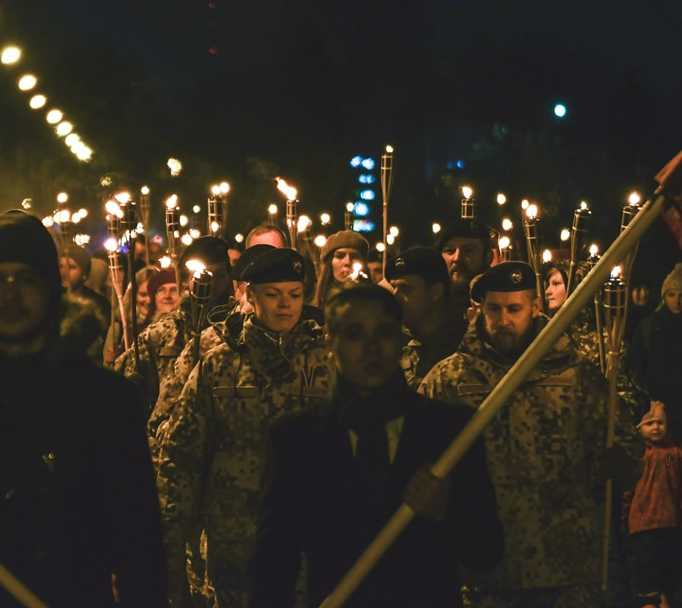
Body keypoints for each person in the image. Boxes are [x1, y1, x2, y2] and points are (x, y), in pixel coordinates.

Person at [0, 209, 167, 606]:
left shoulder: (104, 400)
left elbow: (139, 545)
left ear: (51, 288)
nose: (10, 294)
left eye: (26, 278)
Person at [249, 285, 504, 607]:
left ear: (400, 340)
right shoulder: (298, 439)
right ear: (330, 341)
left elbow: (487, 552)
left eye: (384, 333)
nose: (372, 348)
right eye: (354, 334)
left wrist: (444, 511)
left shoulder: (447, 431)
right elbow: (274, 562)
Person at [420, 261, 643, 606]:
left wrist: (617, 464)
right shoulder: (449, 380)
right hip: (485, 572)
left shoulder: (575, 374)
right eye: (493, 309)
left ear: (535, 307)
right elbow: (417, 458)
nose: (503, 320)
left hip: (567, 568)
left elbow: (625, 444)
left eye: (514, 309)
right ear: (479, 309)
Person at [155, 247, 334, 607]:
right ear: (250, 296)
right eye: (273, 294)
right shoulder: (219, 365)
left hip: (314, 543)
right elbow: (181, 457)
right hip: (234, 545)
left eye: (294, 294)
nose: (286, 304)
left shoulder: (328, 361)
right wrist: (170, 544)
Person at [114, 236, 233, 418]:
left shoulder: (236, 331)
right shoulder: (162, 333)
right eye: (205, 277)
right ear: (186, 279)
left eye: (220, 276)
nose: (213, 284)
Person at [622, 401, 682, 608]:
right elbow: (627, 488)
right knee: (648, 579)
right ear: (639, 428)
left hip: (670, 524)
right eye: (650, 423)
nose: (656, 427)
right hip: (643, 526)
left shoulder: (673, 453)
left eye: (660, 423)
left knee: (669, 578)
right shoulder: (638, 455)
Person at [387, 246, 467, 387]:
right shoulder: (392, 342)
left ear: (436, 292)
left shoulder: (465, 343)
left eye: (406, 289)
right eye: (393, 287)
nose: (395, 297)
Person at [631, 263, 682, 430]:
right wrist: (649, 397)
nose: (677, 301)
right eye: (672, 294)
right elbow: (635, 364)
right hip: (655, 408)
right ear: (664, 296)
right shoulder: (649, 326)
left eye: (681, 295)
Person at [436, 218, 494, 310]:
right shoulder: (429, 308)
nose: (457, 258)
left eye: (468, 250)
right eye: (450, 250)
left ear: (488, 258)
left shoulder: (499, 304)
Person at [312, 229, 369, 306]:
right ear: (330, 263)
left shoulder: (376, 304)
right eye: (340, 256)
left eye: (354, 256)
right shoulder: (312, 311)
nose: (348, 262)